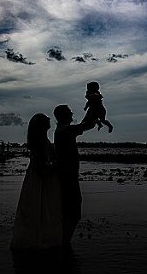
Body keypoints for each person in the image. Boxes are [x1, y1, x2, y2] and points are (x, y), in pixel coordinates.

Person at [10, 113, 63, 249]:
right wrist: (56, 165)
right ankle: (38, 239)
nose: (49, 119)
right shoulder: (40, 142)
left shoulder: (41, 140)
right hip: (40, 179)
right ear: (41, 124)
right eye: (45, 118)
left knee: (38, 207)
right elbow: (42, 167)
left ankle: (37, 237)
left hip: (37, 177)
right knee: (40, 207)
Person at [53, 104, 96, 244]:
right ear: (65, 115)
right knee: (73, 209)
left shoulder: (64, 130)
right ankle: (64, 242)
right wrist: (93, 106)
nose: (72, 114)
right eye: (70, 112)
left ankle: (63, 240)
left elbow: (86, 124)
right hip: (67, 175)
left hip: (67, 174)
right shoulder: (65, 130)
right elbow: (86, 124)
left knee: (70, 209)